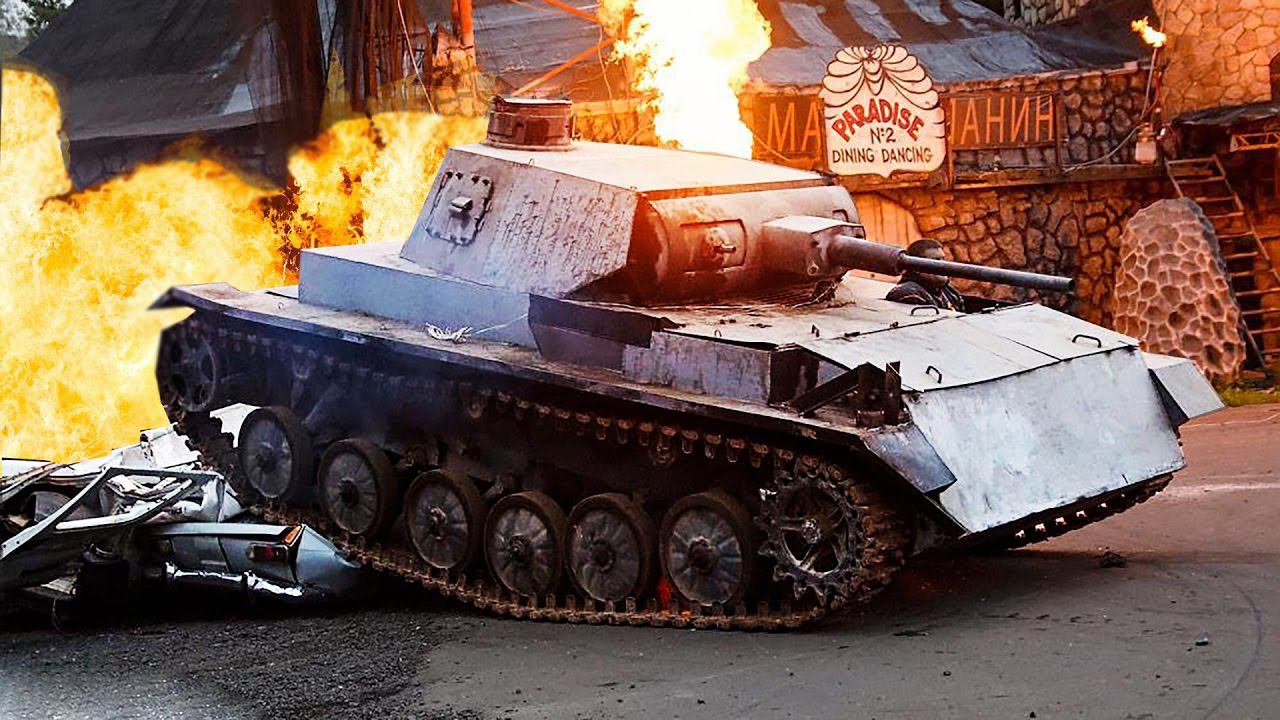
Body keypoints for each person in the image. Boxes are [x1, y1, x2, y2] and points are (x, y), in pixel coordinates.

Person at [885, 238, 966, 312]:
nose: (943, 265)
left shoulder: (949, 292)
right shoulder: (908, 294)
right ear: (917, 267)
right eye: (936, 260)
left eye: (943, 259)